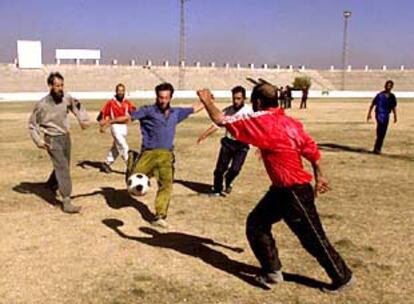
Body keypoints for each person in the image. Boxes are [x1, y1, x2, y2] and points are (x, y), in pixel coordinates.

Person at [196, 83, 353, 293]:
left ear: (258, 102)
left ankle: (342, 278)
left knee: (313, 238)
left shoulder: (262, 122)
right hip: (280, 190)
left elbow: (221, 120)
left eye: (253, 101)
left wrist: (206, 100)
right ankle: (272, 272)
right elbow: (310, 148)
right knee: (256, 224)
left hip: (294, 191)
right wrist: (319, 173)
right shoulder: (290, 123)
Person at [128, 82, 204, 228]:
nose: (163, 100)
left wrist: (207, 101)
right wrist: (110, 121)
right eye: (160, 97)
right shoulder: (147, 110)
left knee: (166, 185)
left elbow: (194, 109)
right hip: (148, 153)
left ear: (170, 98)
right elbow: (129, 118)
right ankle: (132, 160)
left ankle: (159, 216)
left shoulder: (176, 113)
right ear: (157, 97)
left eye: (166, 97)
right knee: (133, 181)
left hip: (166, 156)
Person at [28, 72, 90, 213]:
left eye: (62, 85)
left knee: (63, 165)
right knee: (63, 168)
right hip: (52, 139)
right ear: (50, 86)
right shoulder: (42, 105)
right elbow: (32, 125)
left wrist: (82, 119)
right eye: (57, 86)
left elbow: (76, 105)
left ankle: (51, 184)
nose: (60, 88)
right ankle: (66, 201)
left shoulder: (66, 98)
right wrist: (38, 141)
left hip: (65, 137)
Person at [197, 86, 252, 196]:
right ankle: (217, 190)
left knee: (235, 169)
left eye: (239, 98)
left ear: (244, 98)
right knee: (220, 169)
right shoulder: (228, 110)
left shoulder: (249, 111)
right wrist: (204, 135)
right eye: (234, 98)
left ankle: (228, 181)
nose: (236, 101)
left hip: (242, 145)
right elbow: (217, 124)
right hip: (228, 143)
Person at [98, 84, 136, 173]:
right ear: (116, 91)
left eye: (122, 90)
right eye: (119, 90)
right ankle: (130, 166)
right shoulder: (111, 103)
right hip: (115, 126)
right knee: (123, 146)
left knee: (116, 147)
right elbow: (103, 114)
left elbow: (134, 112)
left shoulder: (127, 103)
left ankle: (107, 163)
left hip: (124, 127)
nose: (120, 92)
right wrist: (103, 125)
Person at [366, 80, 398, 154]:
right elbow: (372, 104)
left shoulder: (392, 97)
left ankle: (377, 148)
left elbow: (393, 107)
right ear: (385, 86)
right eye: (387, 85)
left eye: (390, 86)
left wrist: (395, 116)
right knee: (380, 129)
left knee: (383, 132)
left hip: (386, 115)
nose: (388, 87)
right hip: (379, 114)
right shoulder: (380, 95)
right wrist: (369, 114)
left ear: (392, 87)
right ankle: (377, 148)